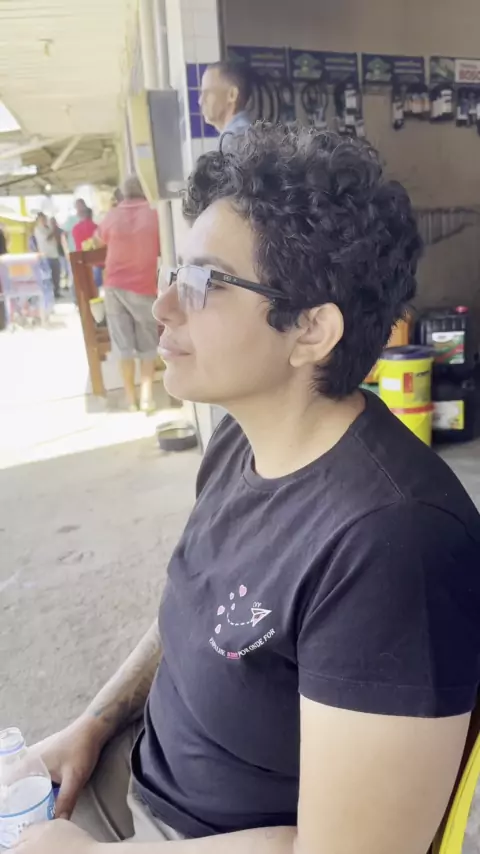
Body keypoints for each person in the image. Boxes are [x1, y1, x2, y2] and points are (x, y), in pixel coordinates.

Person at [20, 126, 480, 854]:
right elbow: (204, 615)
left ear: (311, 331)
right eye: (176, 271)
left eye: (204, 283)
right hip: (128, 778)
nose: (163, 305)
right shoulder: (241, 437)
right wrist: (94, 724)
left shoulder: (395, 546)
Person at [94, 174, 160, 412]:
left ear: (123, 194)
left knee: (124, 347)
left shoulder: (112, 215)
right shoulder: (154, 214)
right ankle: (147, 397)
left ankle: (131, 400)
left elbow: (97, 241)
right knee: (148, 344)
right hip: (144, 287)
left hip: (115, 287)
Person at [199, 61, 252, 149]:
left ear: (232, 95)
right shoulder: (247, 134)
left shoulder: (233, 141)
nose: (200, 101)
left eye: (207, 93)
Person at [34, 212, 61, 298]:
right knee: (47, 276)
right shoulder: (38, 229)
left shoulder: (49, 228)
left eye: (45, 219)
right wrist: (54, 229)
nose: (44, 220)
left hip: (54, 254)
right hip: (45, 256)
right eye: (42, 219)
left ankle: (56, 292)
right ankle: (49, 293)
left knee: (56, 275)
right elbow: (47, 238)